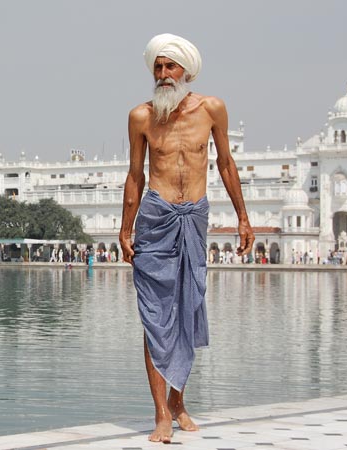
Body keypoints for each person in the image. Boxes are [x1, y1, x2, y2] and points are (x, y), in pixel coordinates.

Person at [119, 33, 254, 443]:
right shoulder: (141, 117)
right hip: (156, 219)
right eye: (157, 67)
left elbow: (227, 164)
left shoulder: (211, 109)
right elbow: (136, 175)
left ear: (186, 71)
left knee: (188, 310)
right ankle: (161, 413)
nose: (163, 74)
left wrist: (244, 219)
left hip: (194, 217)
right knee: (156, 317)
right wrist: (124, 229)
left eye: (169, 66)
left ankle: (179, 401)